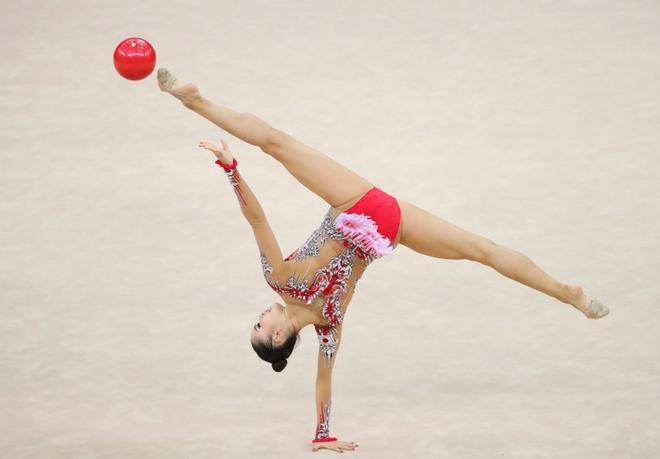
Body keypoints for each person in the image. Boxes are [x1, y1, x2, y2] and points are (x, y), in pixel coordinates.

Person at [156, 67, 610, 453]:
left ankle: (570, 295)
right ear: (278, 334)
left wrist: (323, 433)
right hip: (358, 203)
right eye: (259, 327)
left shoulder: (329, 326)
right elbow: (257, 220)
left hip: (390, 230)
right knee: (275, 142)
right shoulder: (280, 280)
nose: (259, 317)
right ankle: (195, 102)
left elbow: (323, 381)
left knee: (482, 251)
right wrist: (231, 169)